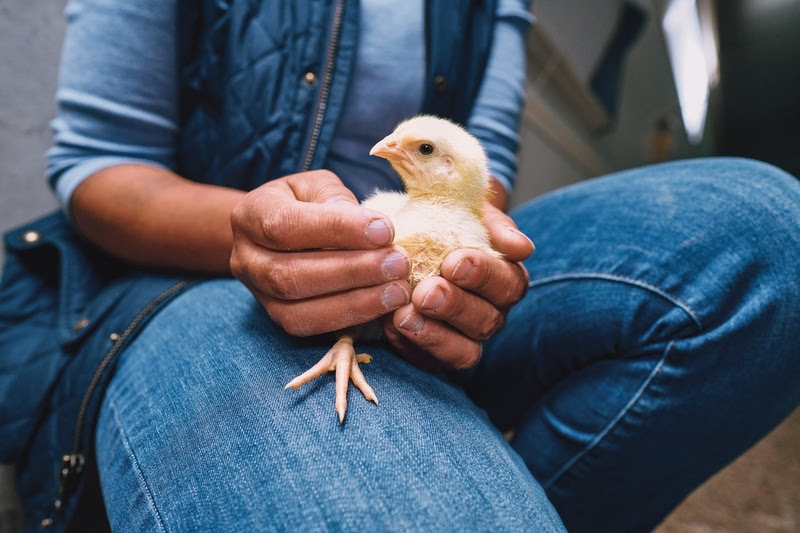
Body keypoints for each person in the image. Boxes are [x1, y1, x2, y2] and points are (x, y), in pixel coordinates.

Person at [1, 0, 798, 531]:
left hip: (401, 259)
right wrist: (258, 232)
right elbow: (99, 169)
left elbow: (479, 173)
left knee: (769, 241)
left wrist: (471, 250)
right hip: (190, 273)